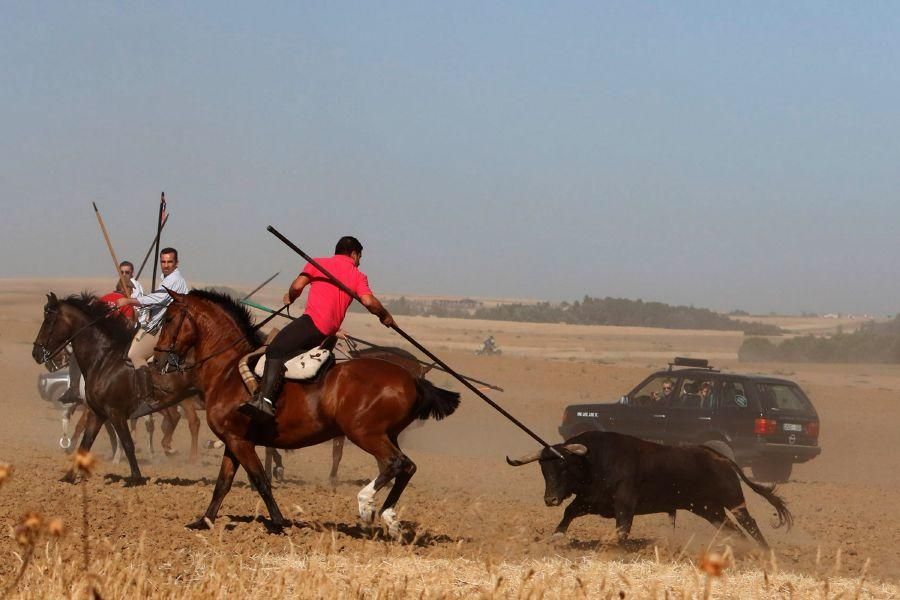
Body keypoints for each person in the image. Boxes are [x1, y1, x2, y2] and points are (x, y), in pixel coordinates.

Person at [238, 236, 394, 422]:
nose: (359, 263)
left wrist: (291, 296)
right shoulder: (358, 276)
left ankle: (265, 400)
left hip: (311, 324)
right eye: (360, 258)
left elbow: (297, 286)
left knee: (275, 349)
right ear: (354, 254)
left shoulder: (318, 263)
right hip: (328, 333)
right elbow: (369, 301)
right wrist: (384, 315)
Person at [117, 247, 189, 405]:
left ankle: (146, 397)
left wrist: (129, 301)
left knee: (135, 354)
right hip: (157, 324)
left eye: (170, 262)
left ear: (177, 263)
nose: (166, 265)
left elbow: (158, 299)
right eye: (163, 261)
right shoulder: (166, 279)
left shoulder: (174, 281)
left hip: (163, 328)